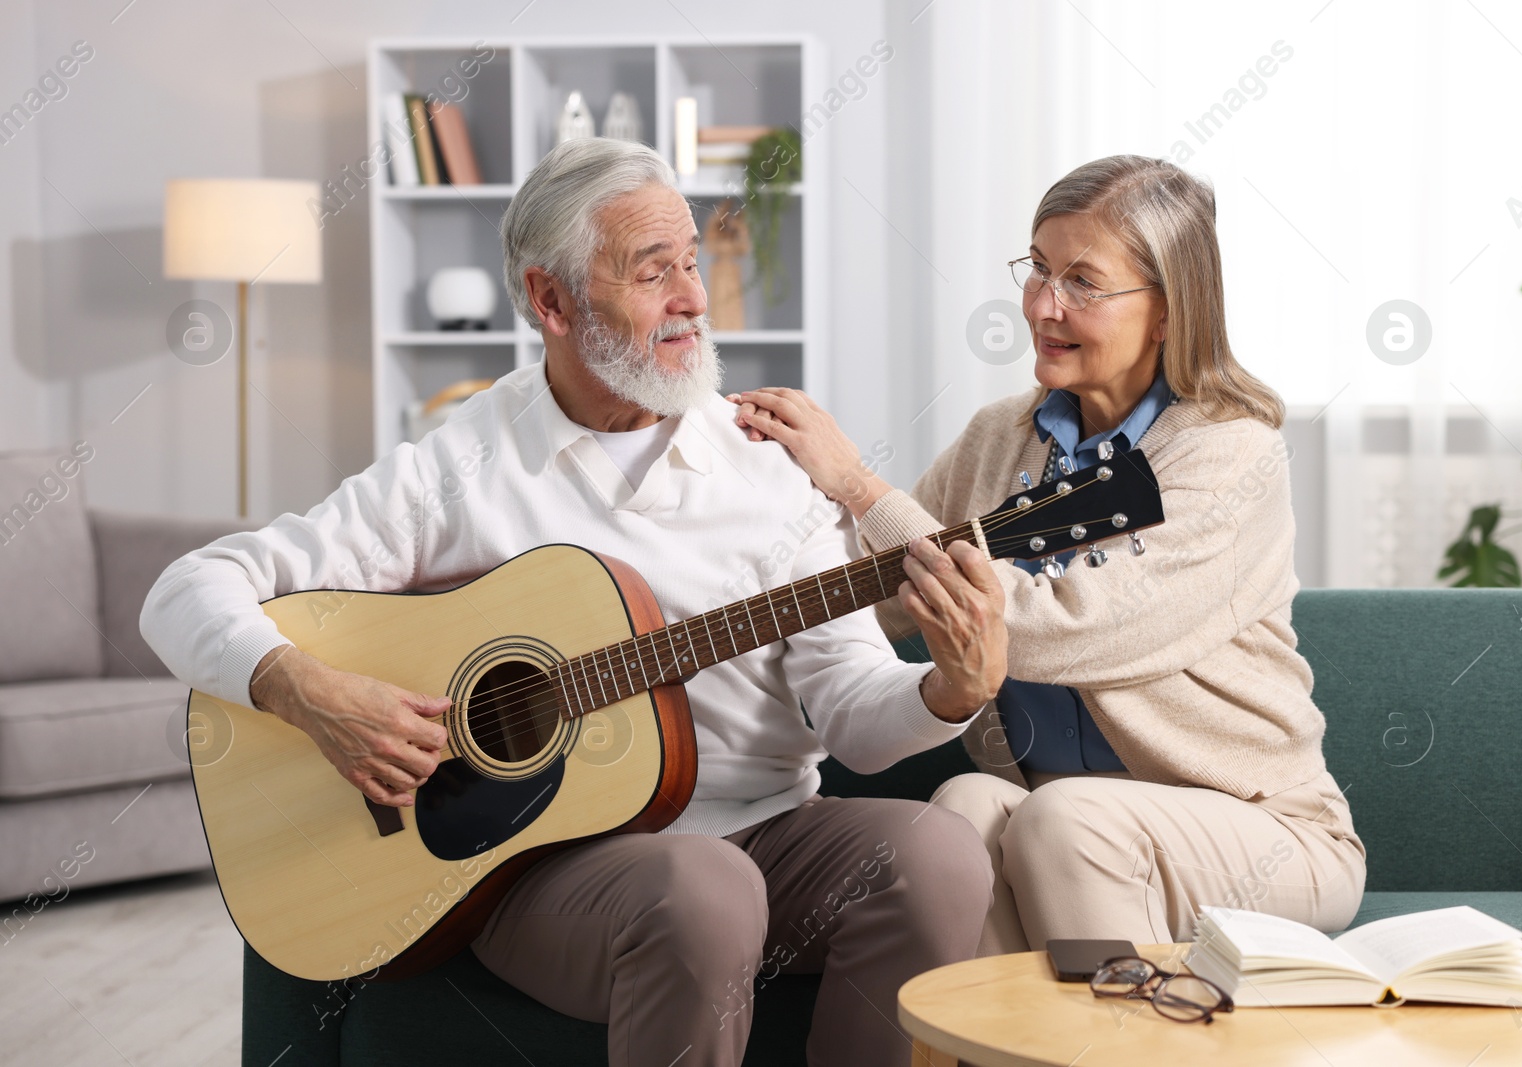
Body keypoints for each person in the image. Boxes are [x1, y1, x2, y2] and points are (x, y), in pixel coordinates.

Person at [140, 139, 1005, 1067]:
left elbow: (854, 714)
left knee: (939, 851)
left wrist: (947, 693)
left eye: (692, 262)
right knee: (704, 887)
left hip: (768, 829)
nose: (694, 300)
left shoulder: (774, 461)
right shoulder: (459, 461)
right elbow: (187, 588)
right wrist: (304, 689)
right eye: (651, 271)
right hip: (543, 864)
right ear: (550, 300)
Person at [729, 154, 1366, 956]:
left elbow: (1063, 628)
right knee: (964, 805)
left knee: (1067, 817)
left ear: (1169, 312)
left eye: (1082, 282)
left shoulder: (1230, 454)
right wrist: (735, 552)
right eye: (1036, 269)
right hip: (1064, 824)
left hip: (1264, 828)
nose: (1042, 304)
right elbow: (878, 595)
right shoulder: (1002, 436)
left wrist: (858, 484)